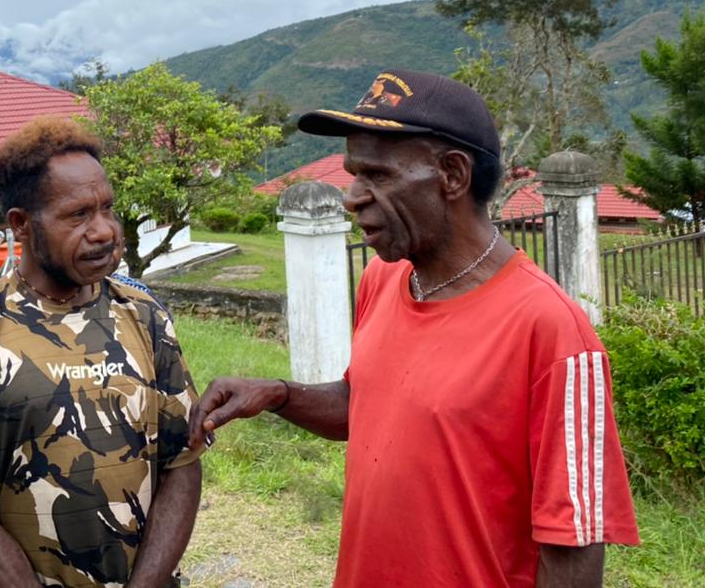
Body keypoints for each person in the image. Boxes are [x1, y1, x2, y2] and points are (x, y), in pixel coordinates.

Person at [189, 70, 640, 588]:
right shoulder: (383, 279)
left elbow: (574, 547)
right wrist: (279, 394)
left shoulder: (552, 331)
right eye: (353, 174)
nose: (352, 197)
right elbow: (368, 404)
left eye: (377, 176)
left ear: (452, 175)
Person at [0, 116, 202, 588]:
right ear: (22, 224)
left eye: (107, 209)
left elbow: (182, 462)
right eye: (78, 215)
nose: (104, 231)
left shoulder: (146, 317)